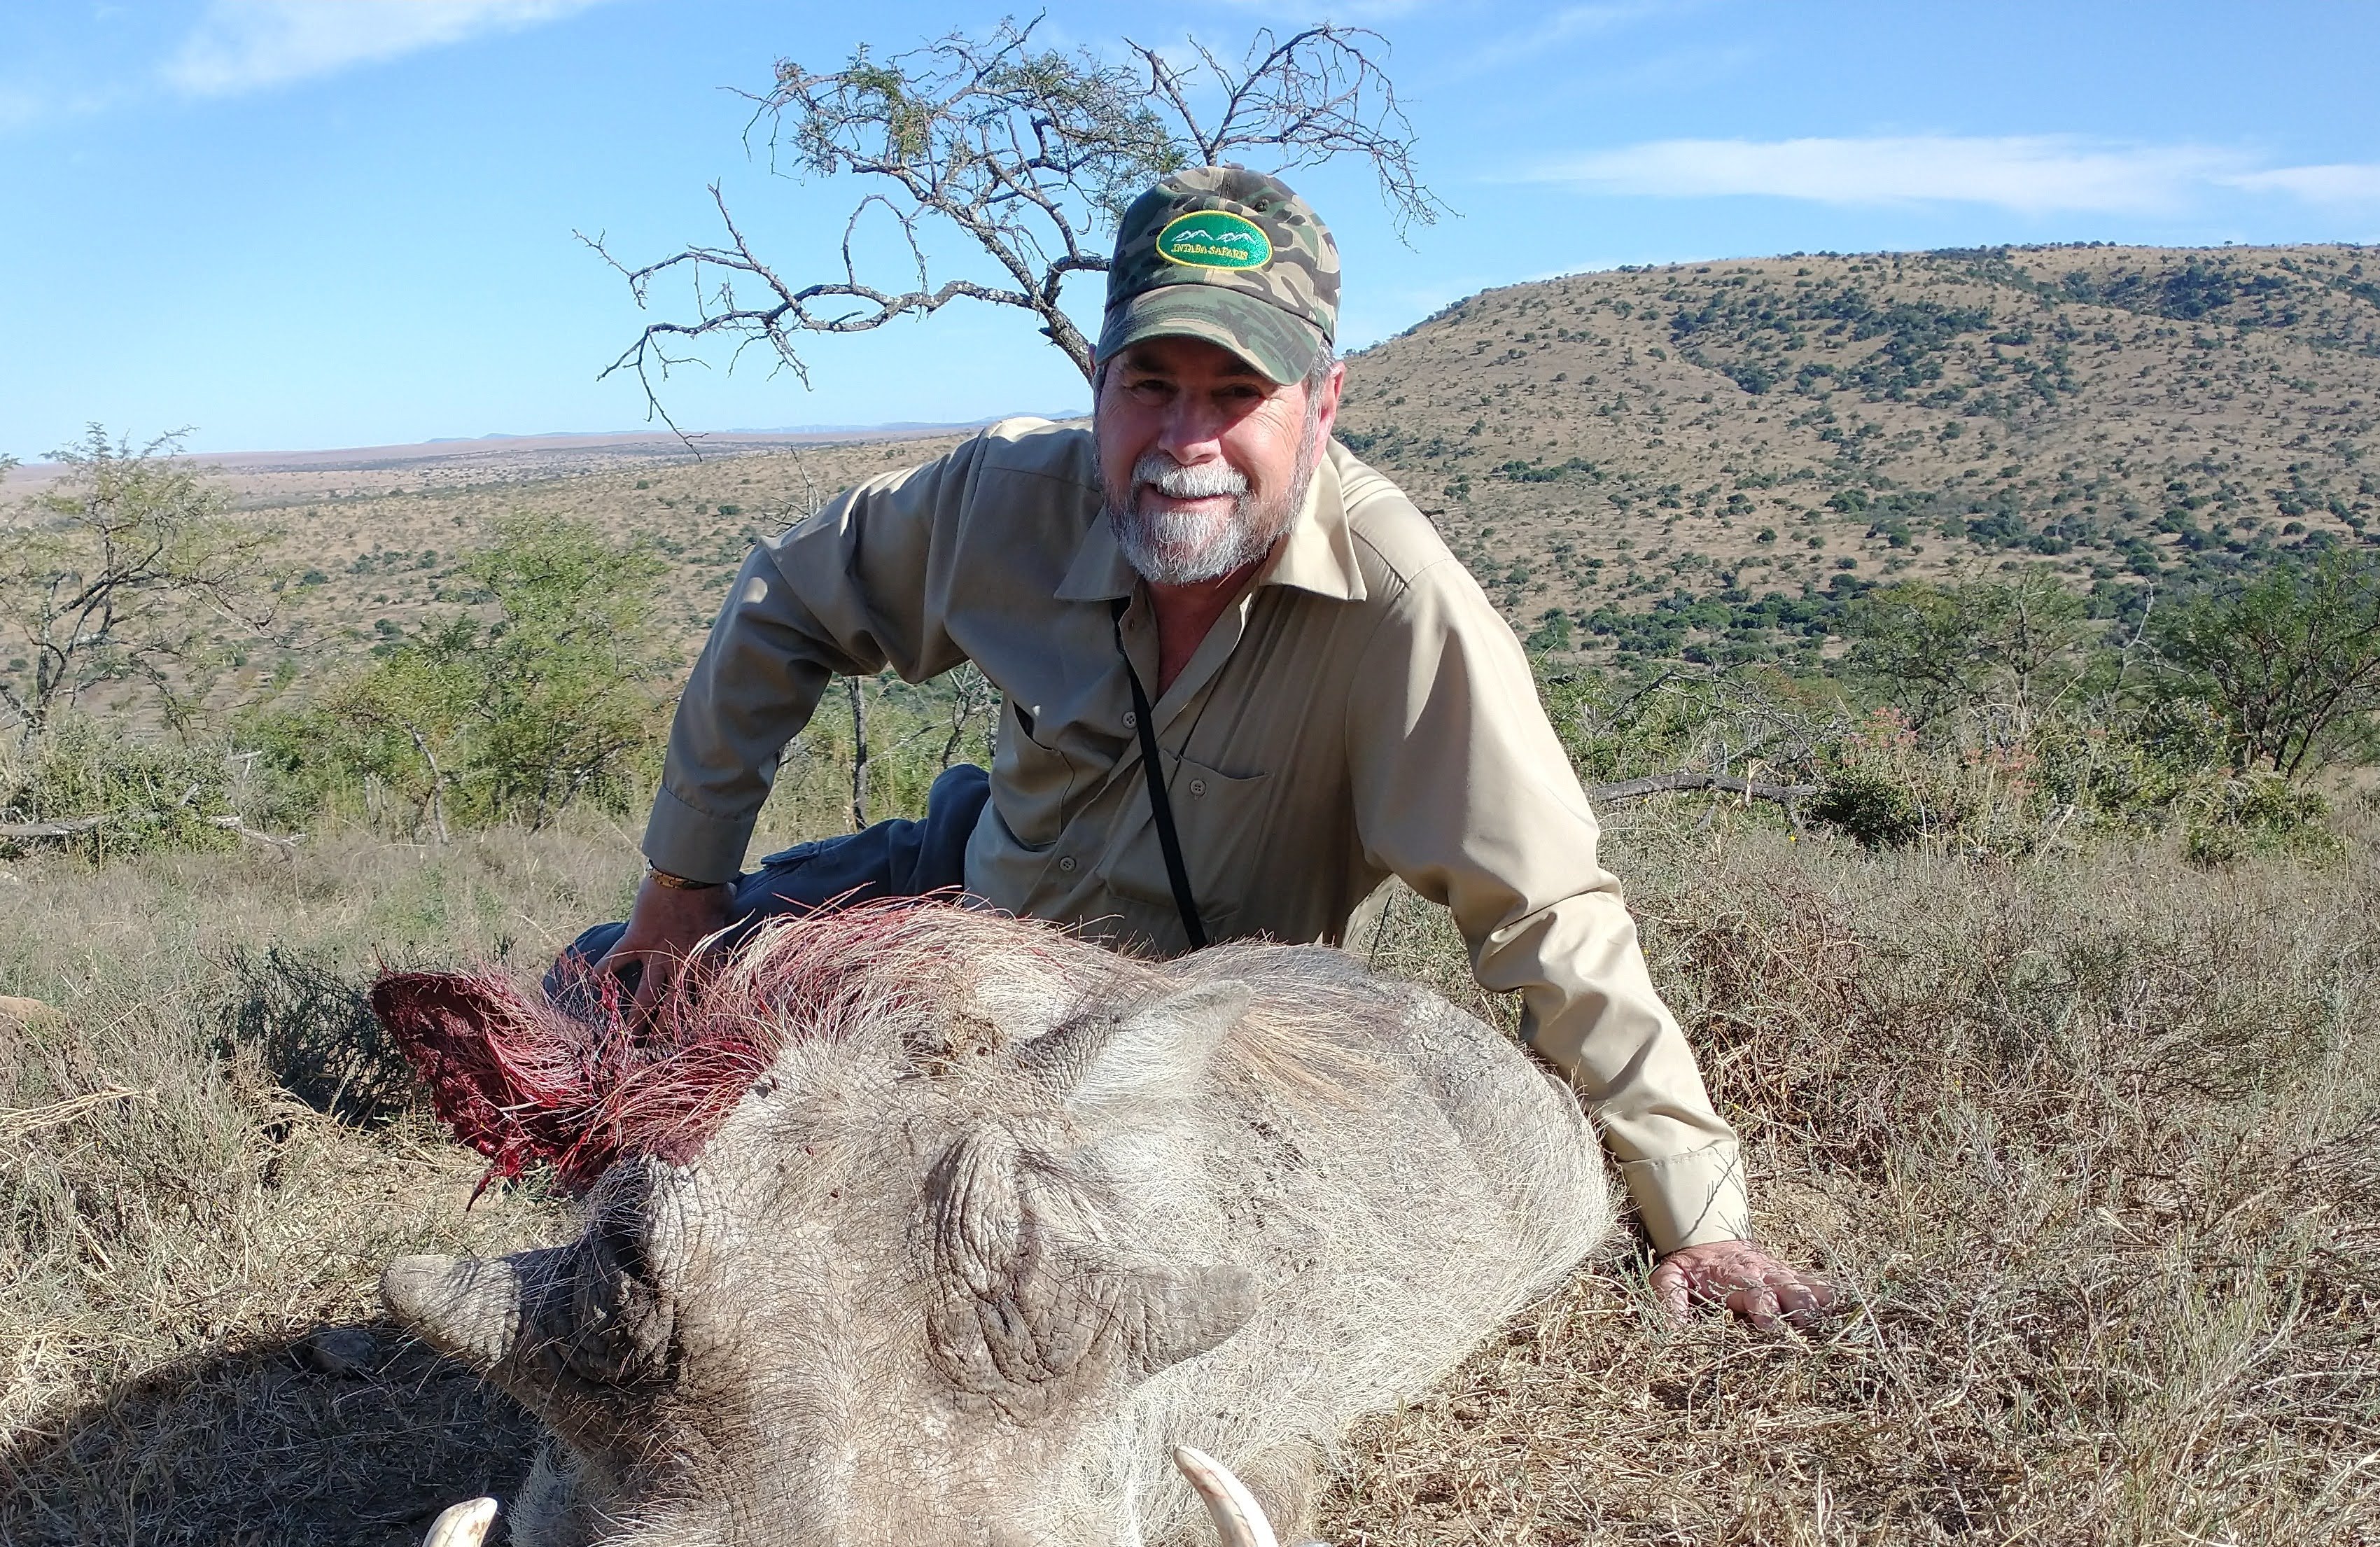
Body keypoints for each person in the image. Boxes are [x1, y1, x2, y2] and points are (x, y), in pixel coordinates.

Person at [571, 164, 1828, 1333]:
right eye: (1152, 386)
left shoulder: (1402, 609)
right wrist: (680, 890)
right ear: (1099, 385)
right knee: (602, 990)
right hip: (959, 886)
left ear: (1322, 407)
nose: (1186, 442)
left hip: (1158, 1022)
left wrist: (1700, 1221)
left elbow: (1549, 912)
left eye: (1239, 396)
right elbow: (780, 604)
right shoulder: (998, 498)